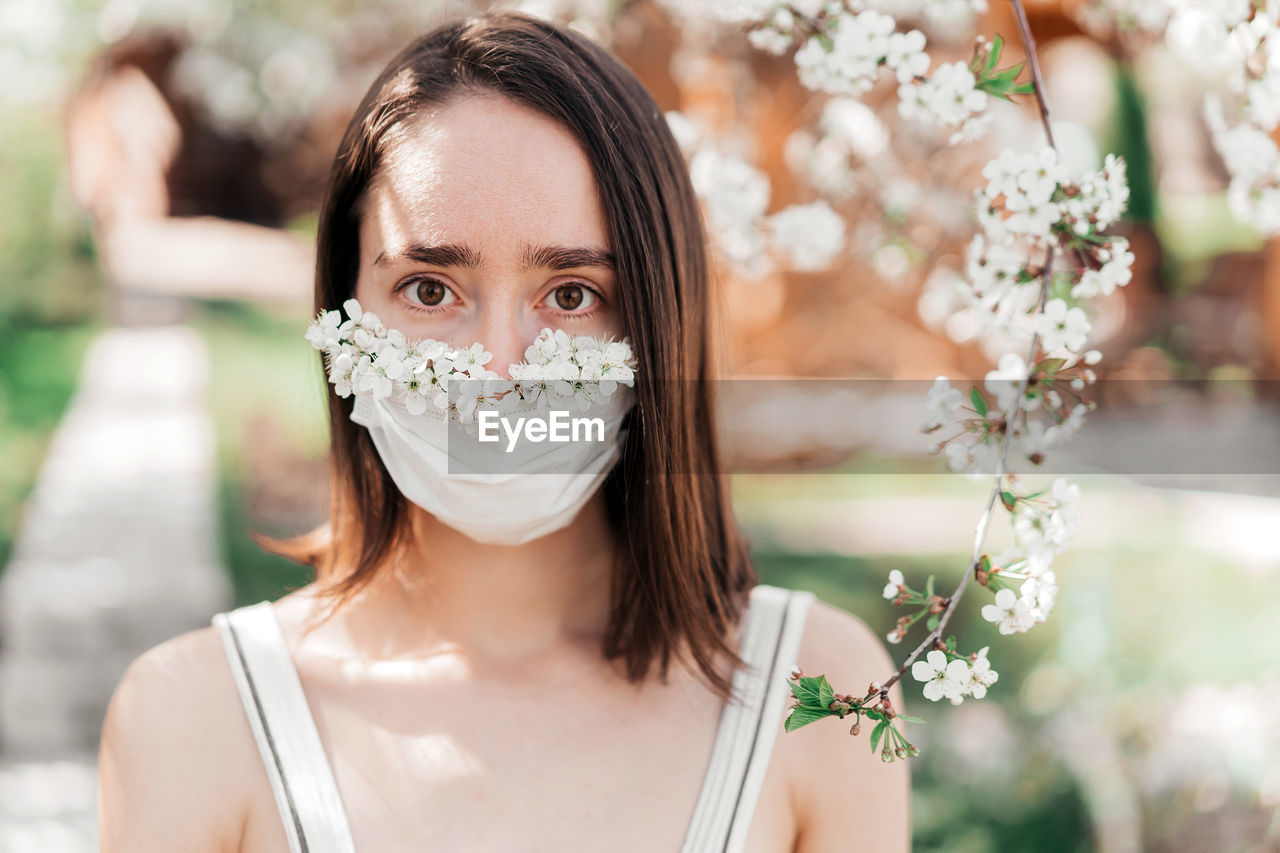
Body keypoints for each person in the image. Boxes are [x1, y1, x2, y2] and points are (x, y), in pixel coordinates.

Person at [97, 11, 910, 852]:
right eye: (428, 289)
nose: (497, 372)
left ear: (657, 327)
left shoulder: (820, 695)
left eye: (570, 295)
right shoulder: (193, 719)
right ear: (344, 313)